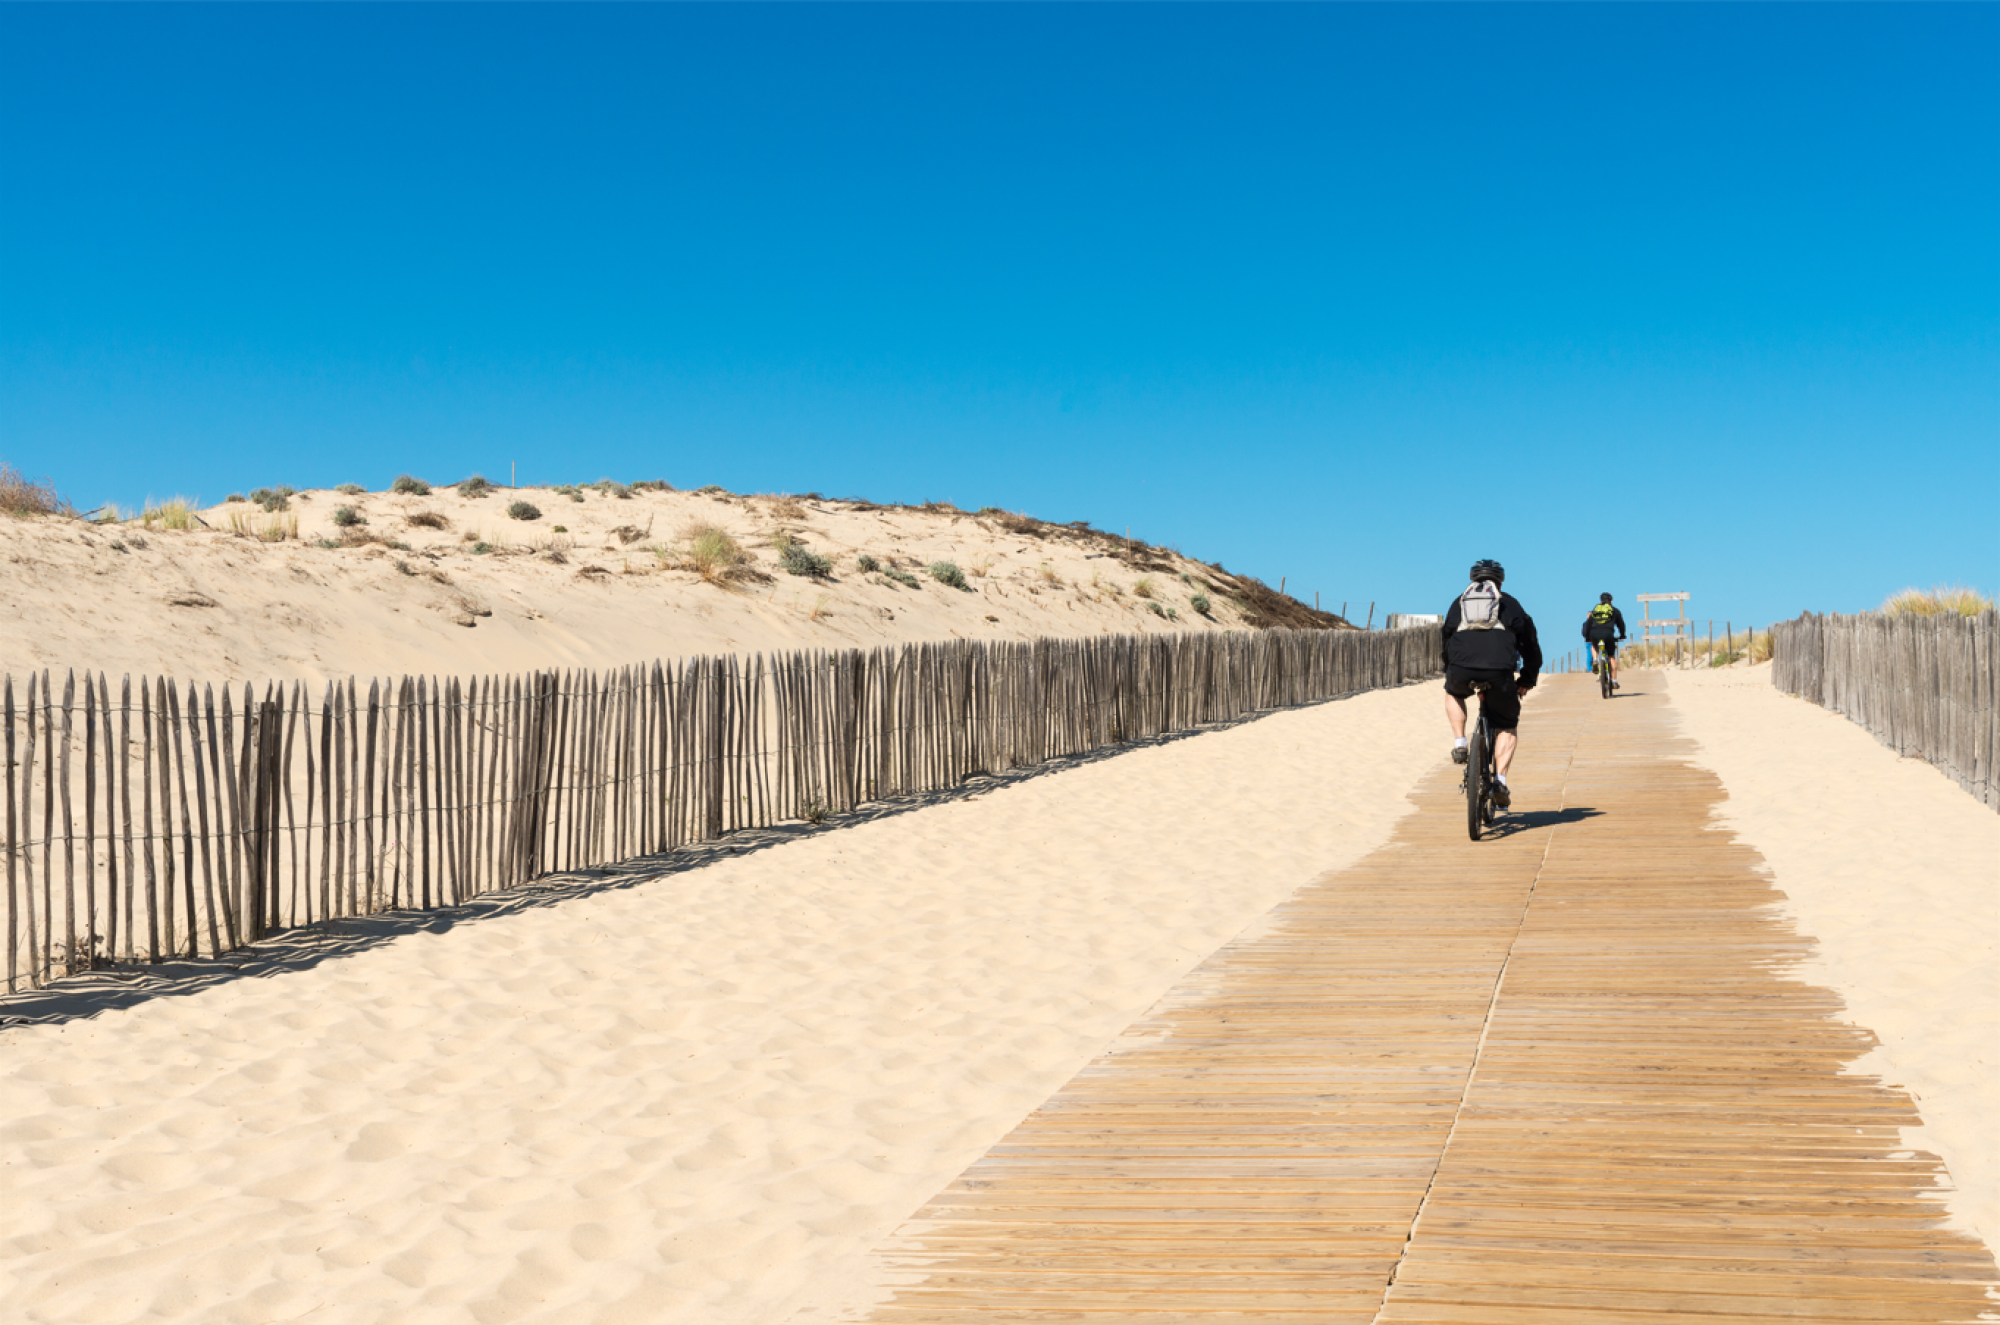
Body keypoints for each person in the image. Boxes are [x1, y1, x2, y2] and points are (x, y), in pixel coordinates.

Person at [1441, 559, 1542, 808]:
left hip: (1461, 667)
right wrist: (1527, 679)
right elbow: (1530, 644)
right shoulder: (1510, 603)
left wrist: (1451, 669)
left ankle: (1460, 743)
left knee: (1453, 693)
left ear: (1473, 579)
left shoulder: (1459, 602)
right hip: (1499, 672)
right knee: (1507, 723)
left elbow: (1445, 637)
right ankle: (1500, 780)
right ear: (1500, 581)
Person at [1582, 592, 1627, 688]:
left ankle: (1595, 660)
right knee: (1611, 657)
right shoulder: (1615, 611)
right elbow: (1621, 625)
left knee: (1594, 646)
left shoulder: (1595, 610)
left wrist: (1587, 637)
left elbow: (1588, 624)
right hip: (1608, 634)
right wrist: (1622, 635)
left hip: (1594, 634)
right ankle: (1614, 681)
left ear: (1601, 600)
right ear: (1611, 601)